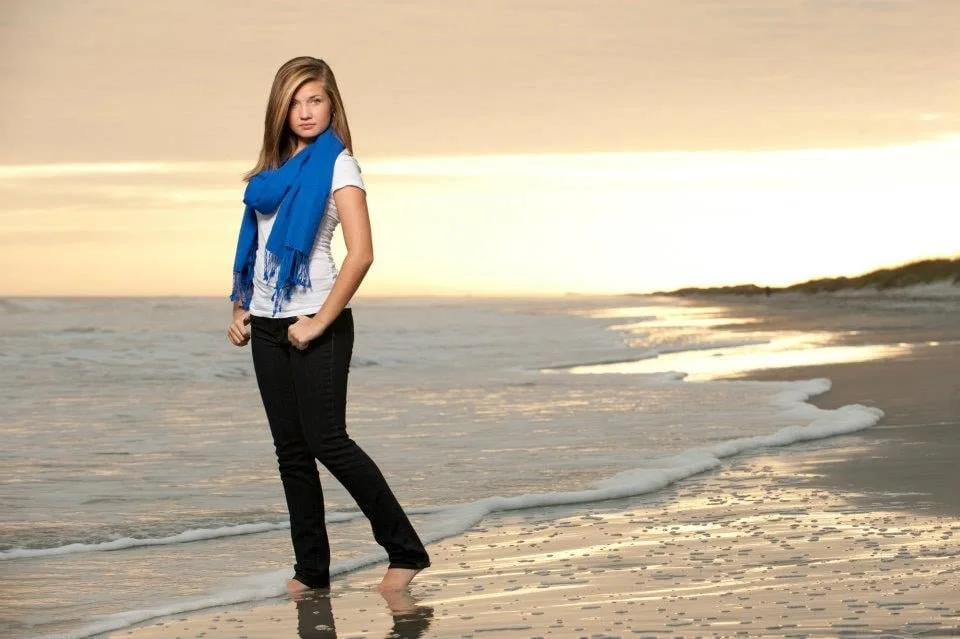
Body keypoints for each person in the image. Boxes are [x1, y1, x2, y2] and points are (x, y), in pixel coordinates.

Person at [225, 56, 430, 596]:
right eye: (294, 101)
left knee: (327, 440)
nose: (305, 111)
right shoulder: (269, 176)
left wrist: (318, 322)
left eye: (315, 99)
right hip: (267, 323)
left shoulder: (339, 166)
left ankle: (405, 551)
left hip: (319, 319)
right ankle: (311, 571)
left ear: (332, 103)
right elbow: (260, 246)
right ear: (279, 108)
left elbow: (361, 254)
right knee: (290, 451)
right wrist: (241, 304)